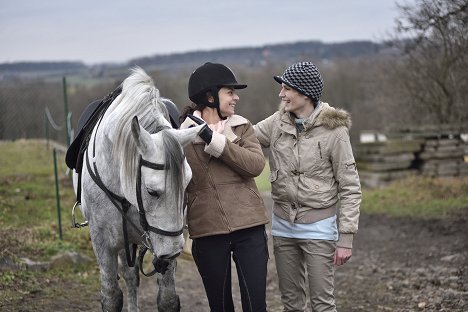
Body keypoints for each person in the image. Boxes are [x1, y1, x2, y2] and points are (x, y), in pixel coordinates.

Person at [254, 62, 362, 312]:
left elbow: (350, 186)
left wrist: (345, 239)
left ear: (304, 93)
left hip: (319, 228)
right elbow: (244, 135)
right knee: (291, 304)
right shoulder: (277, 122)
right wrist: (211, 124)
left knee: (322, 304)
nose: (281, 95)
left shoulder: (335, 130)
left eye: (286, 89)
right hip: (282, 225)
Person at [179, 62, 270, 312]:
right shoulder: (181, 137)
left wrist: (215, 140)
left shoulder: (241, 126)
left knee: (256, 307)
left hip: (249, 227)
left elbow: (254, 165)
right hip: (208, 232)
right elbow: (176, 189)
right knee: (220, 308)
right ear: (210, 97)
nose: (236, 97)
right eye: (230, 92)